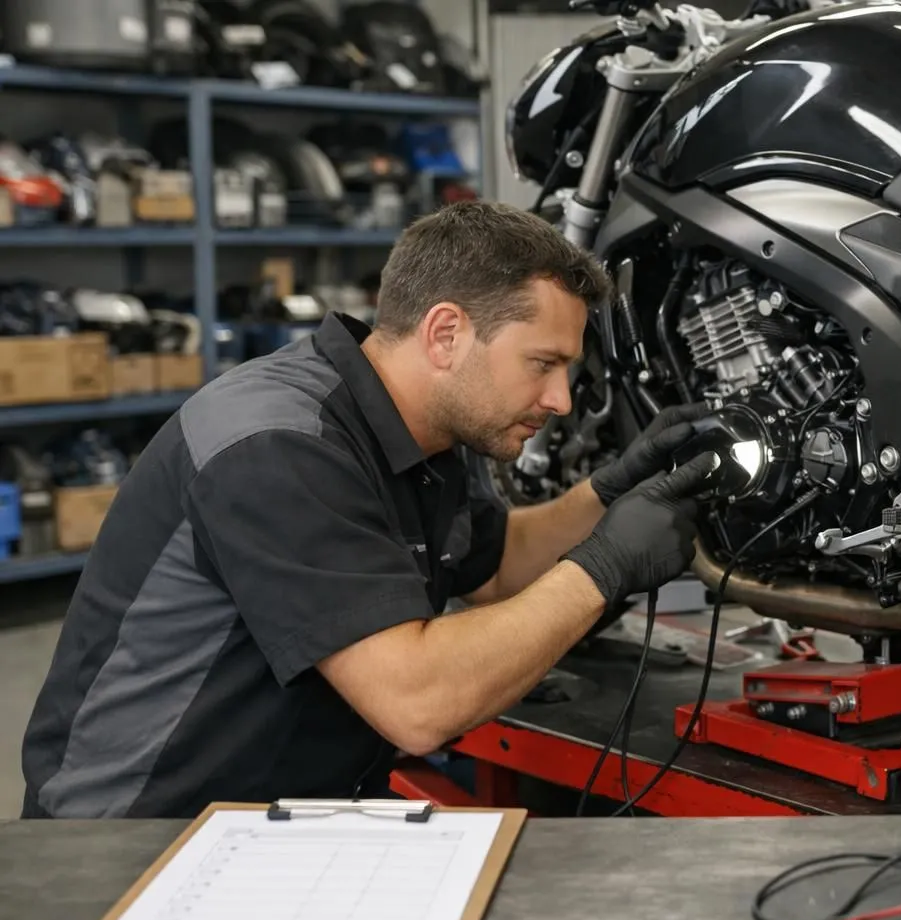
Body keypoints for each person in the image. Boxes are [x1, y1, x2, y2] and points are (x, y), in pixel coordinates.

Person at [20, 201, 714, 819]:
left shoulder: (424, 426)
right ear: (445, 334)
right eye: (543, 363)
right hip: (135, 839)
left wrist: (611, 494)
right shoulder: (278, 444)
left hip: (285, 817)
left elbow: (498, 565)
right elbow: (418, 705)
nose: (561, 399)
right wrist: (606, 566)